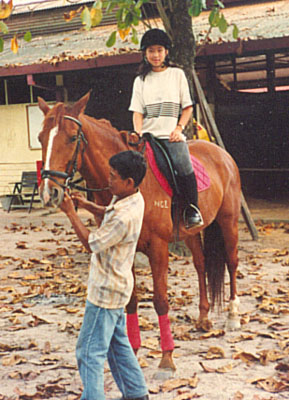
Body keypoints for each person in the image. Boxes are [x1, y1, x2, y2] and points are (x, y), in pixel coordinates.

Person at [60, 150, 149, 400]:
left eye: (113, 177)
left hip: (105, 292)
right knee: (117, 346)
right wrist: (89, 206)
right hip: (119, 287)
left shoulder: (123, 216)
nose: (109, 180)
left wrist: (71, 213)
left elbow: (91, 243)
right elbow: (108, 214)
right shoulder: (132, 198)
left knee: (88, 352)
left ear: (129, 182)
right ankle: (136, 393)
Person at [129, 28, 203, 229]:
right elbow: (137, 112)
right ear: (145, 53)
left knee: (183, 164)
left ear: (166, 52)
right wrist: (138, 132)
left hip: (170, 136)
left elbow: (187, 107)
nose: (155, 55)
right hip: (147, 136)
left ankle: (191, 209)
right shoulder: (140, 81)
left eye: (159, 50)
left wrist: (179, 129)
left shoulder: (177, 75)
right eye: (151, 50)